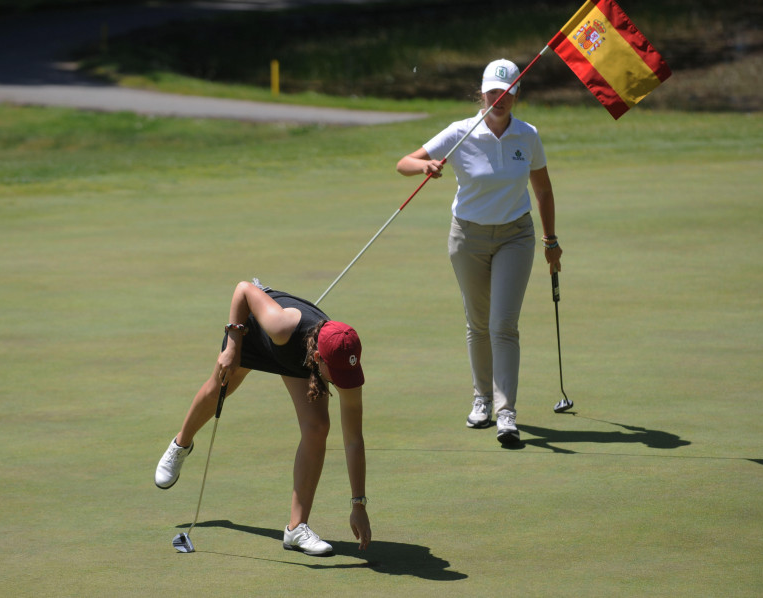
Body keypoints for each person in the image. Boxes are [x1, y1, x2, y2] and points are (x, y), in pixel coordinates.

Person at [396, 59, 563, 444]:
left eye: (507, 92)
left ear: (516, 93)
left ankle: (507, 413)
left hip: (515, 236)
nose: (499, 98)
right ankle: (481, 401)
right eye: (493, 91)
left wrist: (550, 241)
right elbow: (404, 163)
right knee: (478, 322)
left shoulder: (527, 135)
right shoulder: (460, 132)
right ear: (482, 92)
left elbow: (543, 190)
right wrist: (426, 166)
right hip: (467, 238)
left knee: (503, 325)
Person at [154, 279, 371, 556]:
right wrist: (232, 345)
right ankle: (181, 444)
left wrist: (358, 505)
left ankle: (296, 529)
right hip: (254, 331)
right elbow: (243, 289)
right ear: (319, 358)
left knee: (317, 427)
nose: (344, 383)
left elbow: (354, 440)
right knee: (218, 388)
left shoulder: (343, 359)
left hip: (296, 356)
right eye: (338, 376)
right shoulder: (281, 325)